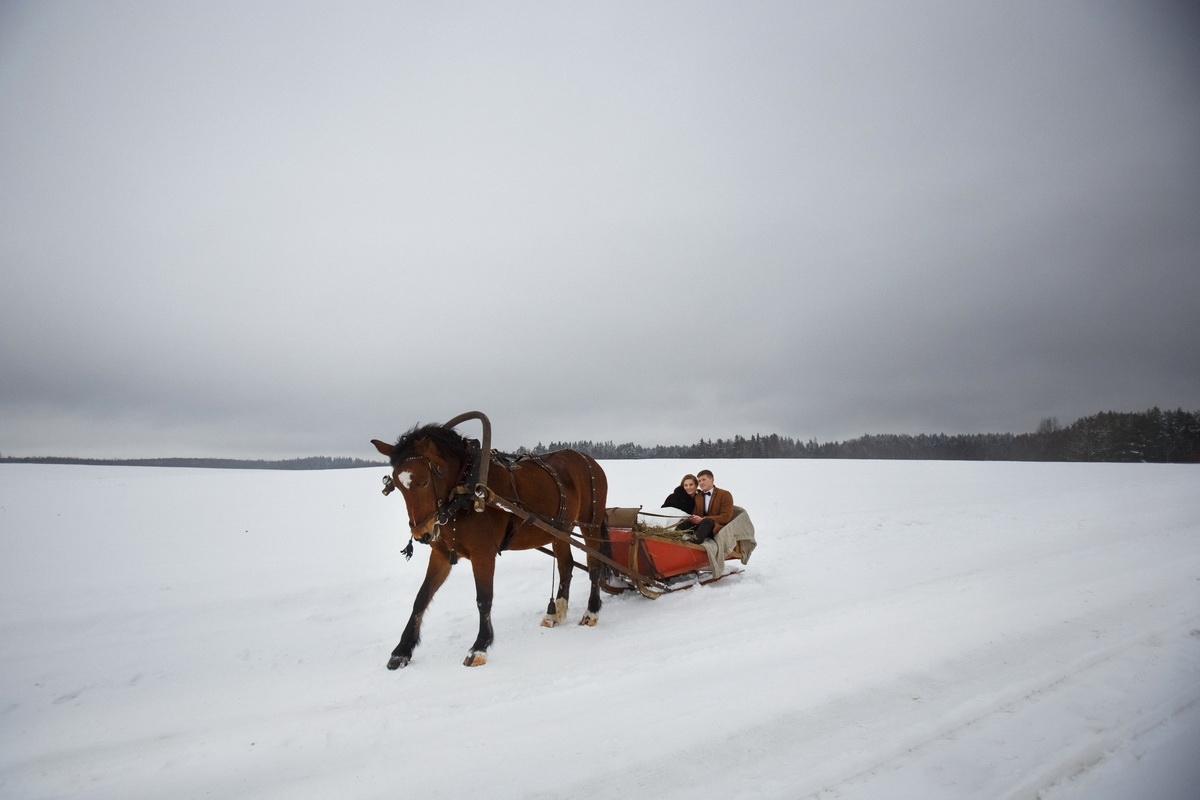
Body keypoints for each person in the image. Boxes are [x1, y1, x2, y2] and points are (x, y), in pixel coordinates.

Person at [679, 469, 734, 543]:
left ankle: (694, 542)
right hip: (701, 527)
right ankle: (674, 538)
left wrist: (704, 519)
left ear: (712, 479)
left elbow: (726, 517)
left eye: (703, 480)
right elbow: (696, 513)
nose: (701, 483)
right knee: (686, 523)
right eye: (699, 481)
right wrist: (693, 518)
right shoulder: (698, 496)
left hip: (716, 528)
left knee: (706, 522)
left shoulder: (724, 494)